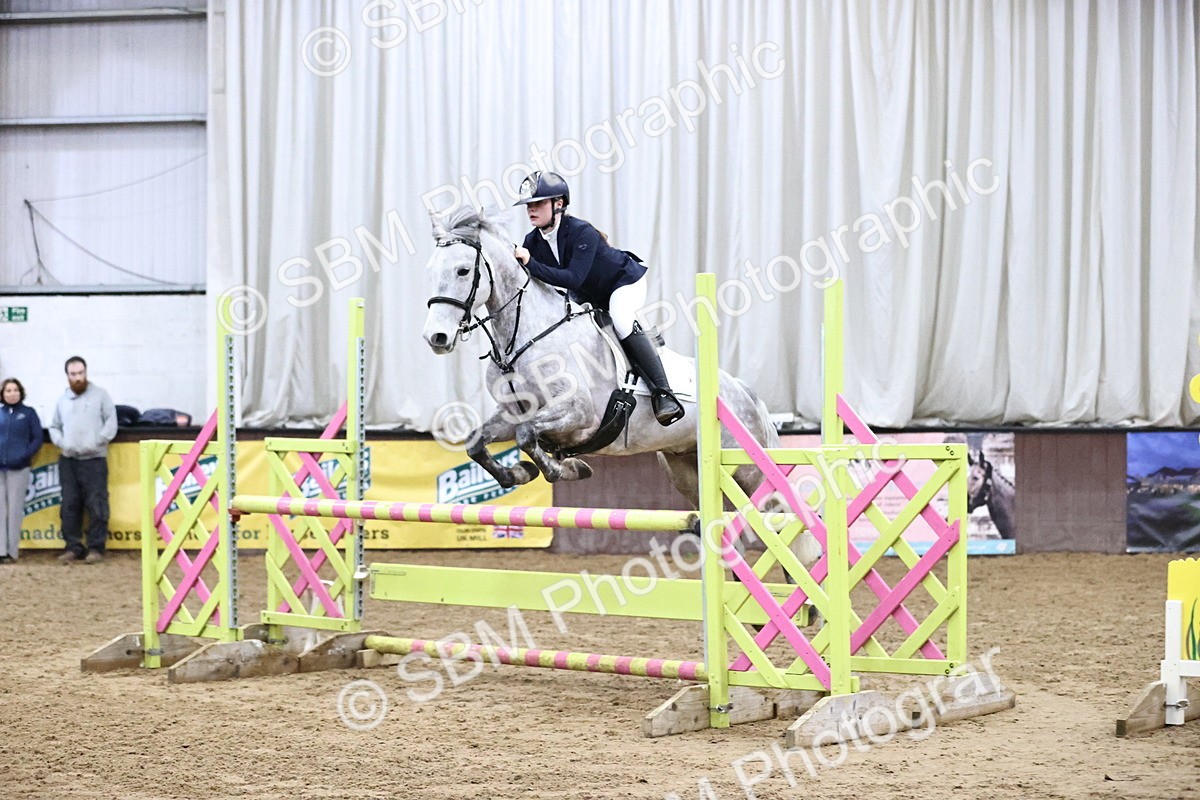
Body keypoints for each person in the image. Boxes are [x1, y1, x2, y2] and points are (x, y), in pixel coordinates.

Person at [512, 171, 684, 426]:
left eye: (538, 203)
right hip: (587, 294)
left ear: (558, 204)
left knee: (622, 320)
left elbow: (573, 278)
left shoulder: (582, 232)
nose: (531, 210)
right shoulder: (532, 241)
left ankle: (664, 393)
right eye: (528, 205)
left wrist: (531, 263)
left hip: (623, 283)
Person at [48, 357, 116, 564]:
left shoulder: (101, 395)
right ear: (67, 376)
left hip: (94, 460)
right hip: (69, 461)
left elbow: (111, 421)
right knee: (69, 504)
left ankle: (96, 548)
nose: (78, 378)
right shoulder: (62, 400)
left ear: (86, 373)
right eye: (73, 374)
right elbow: (54, 426)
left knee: (97, 504)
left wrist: (99, 441)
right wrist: (62, 443)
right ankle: (73, 547)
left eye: (81, 373)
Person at [0, 378, 43, 564]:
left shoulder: (28, 413)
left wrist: (24, 456)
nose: (11, 393)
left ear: (20, 392)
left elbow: (37, 438)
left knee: (15, 510)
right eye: (8, 390)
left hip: (19, 468)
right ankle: (0, 550)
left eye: (15, 390)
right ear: (2, 394)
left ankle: (12, 551)